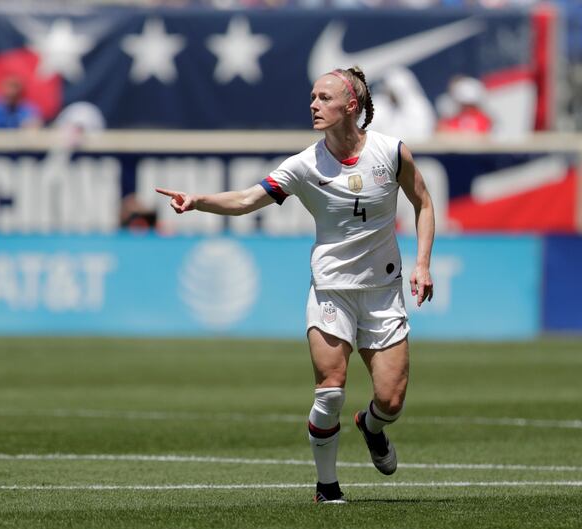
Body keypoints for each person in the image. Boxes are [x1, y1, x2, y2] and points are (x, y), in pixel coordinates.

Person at [156, 66, 435, 504]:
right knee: (330, 389)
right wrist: (198, 202)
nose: (314, 105)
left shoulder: (391, 152)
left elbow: (422, 201)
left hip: (383, 292)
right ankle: (327, 488)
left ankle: (372, 426)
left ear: (352, 107)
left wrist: (421, 264)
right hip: (331, 290)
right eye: (312, 97)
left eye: (324, 98)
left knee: (392, 400)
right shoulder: (304, 164)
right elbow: (249, 199)